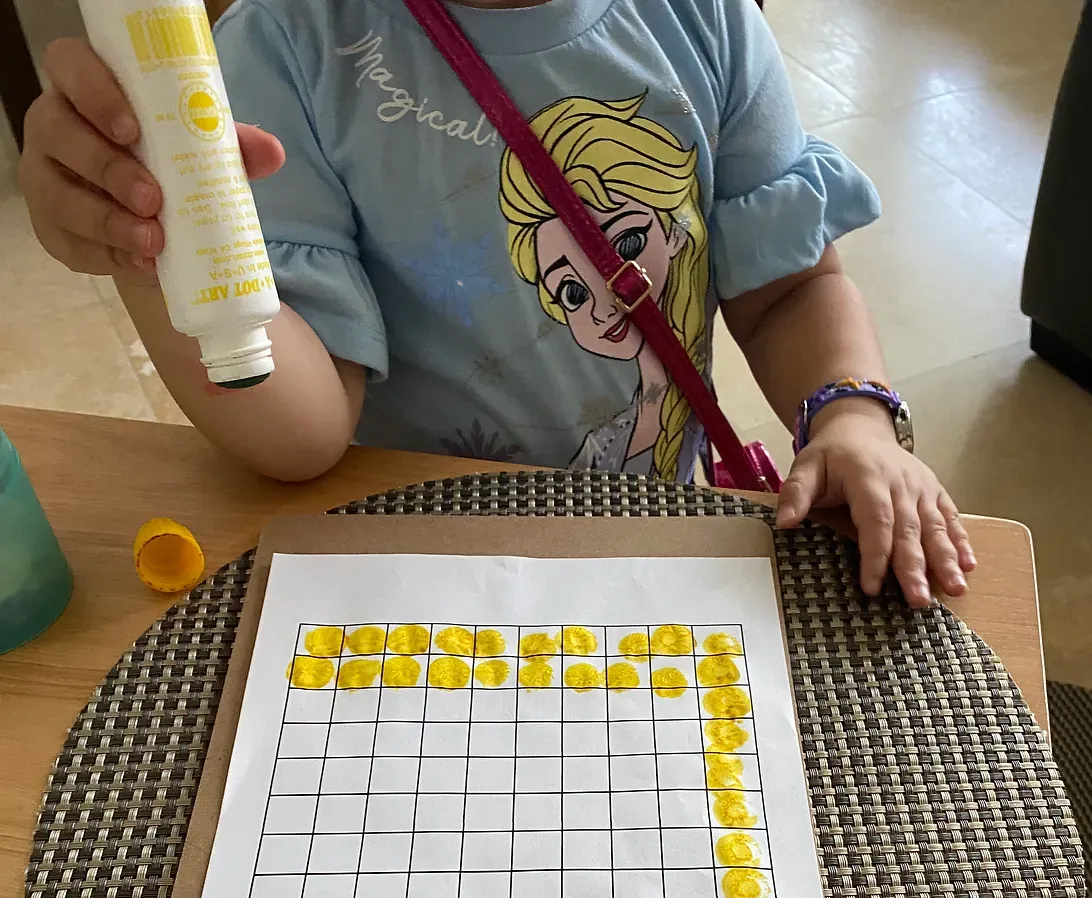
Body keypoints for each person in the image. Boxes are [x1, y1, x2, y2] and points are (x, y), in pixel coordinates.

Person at [18, 0, 974, 608]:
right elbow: (298, 431)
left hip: (650, 543)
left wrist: (851, 417)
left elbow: (790, 288)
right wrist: (152, 239)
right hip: (420, 576)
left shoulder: (706, 17)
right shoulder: (285, 49)